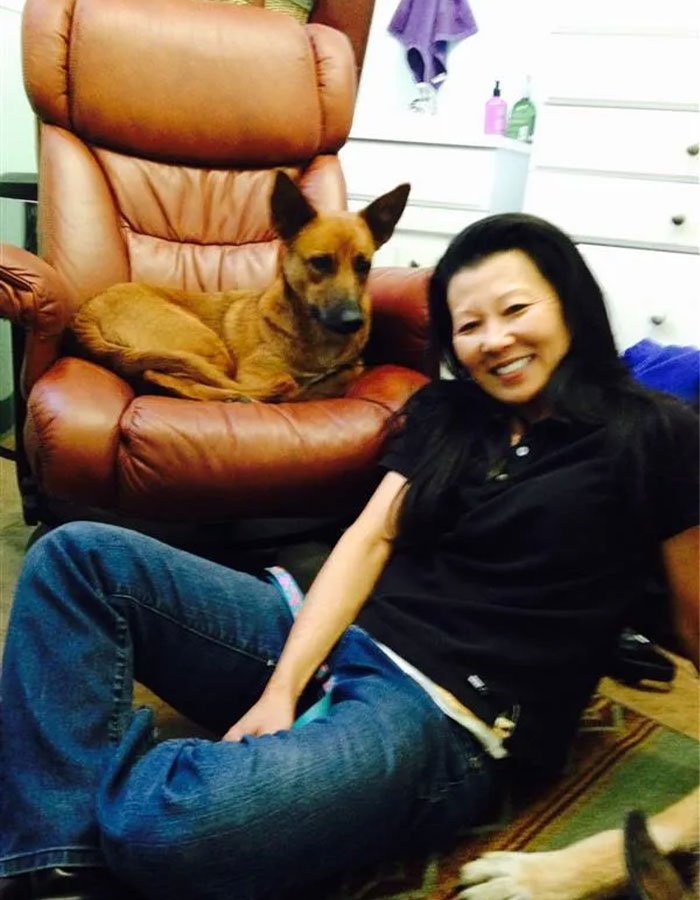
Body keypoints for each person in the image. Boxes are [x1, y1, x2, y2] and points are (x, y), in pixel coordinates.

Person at [1, 214, 697, 900]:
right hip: (331, 633)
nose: (496, 340)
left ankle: (72, 799)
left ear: (571, 302)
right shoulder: (450, 414)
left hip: (443, 714)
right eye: (470, 324)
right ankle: (58, 866)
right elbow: (369, 540)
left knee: (162, 828)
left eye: (516, 309)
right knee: (77, 561)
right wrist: (281, 688)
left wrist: (649, 841)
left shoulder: (652, 434)